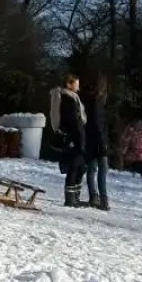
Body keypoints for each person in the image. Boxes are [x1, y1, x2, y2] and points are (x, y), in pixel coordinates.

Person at [53, 74, 87, 207]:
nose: (78, 87)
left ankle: (75, 196)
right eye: (76, 84)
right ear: (69, 84)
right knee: (75, 167)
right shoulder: (68, 99)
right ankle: (70, 198)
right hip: (73, 137)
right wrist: (79, 139)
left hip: (75, 136)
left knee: (80, 167)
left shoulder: (72, 98)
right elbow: (73, 121)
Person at [82, 75, 111, 211]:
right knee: (102, 169)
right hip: (98, 140)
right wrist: (103, 142)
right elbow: (99, 124)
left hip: (89, 139)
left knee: (92, 169)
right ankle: (103, 199)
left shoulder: (87, 100)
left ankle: (94, 196)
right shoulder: (97, 102)